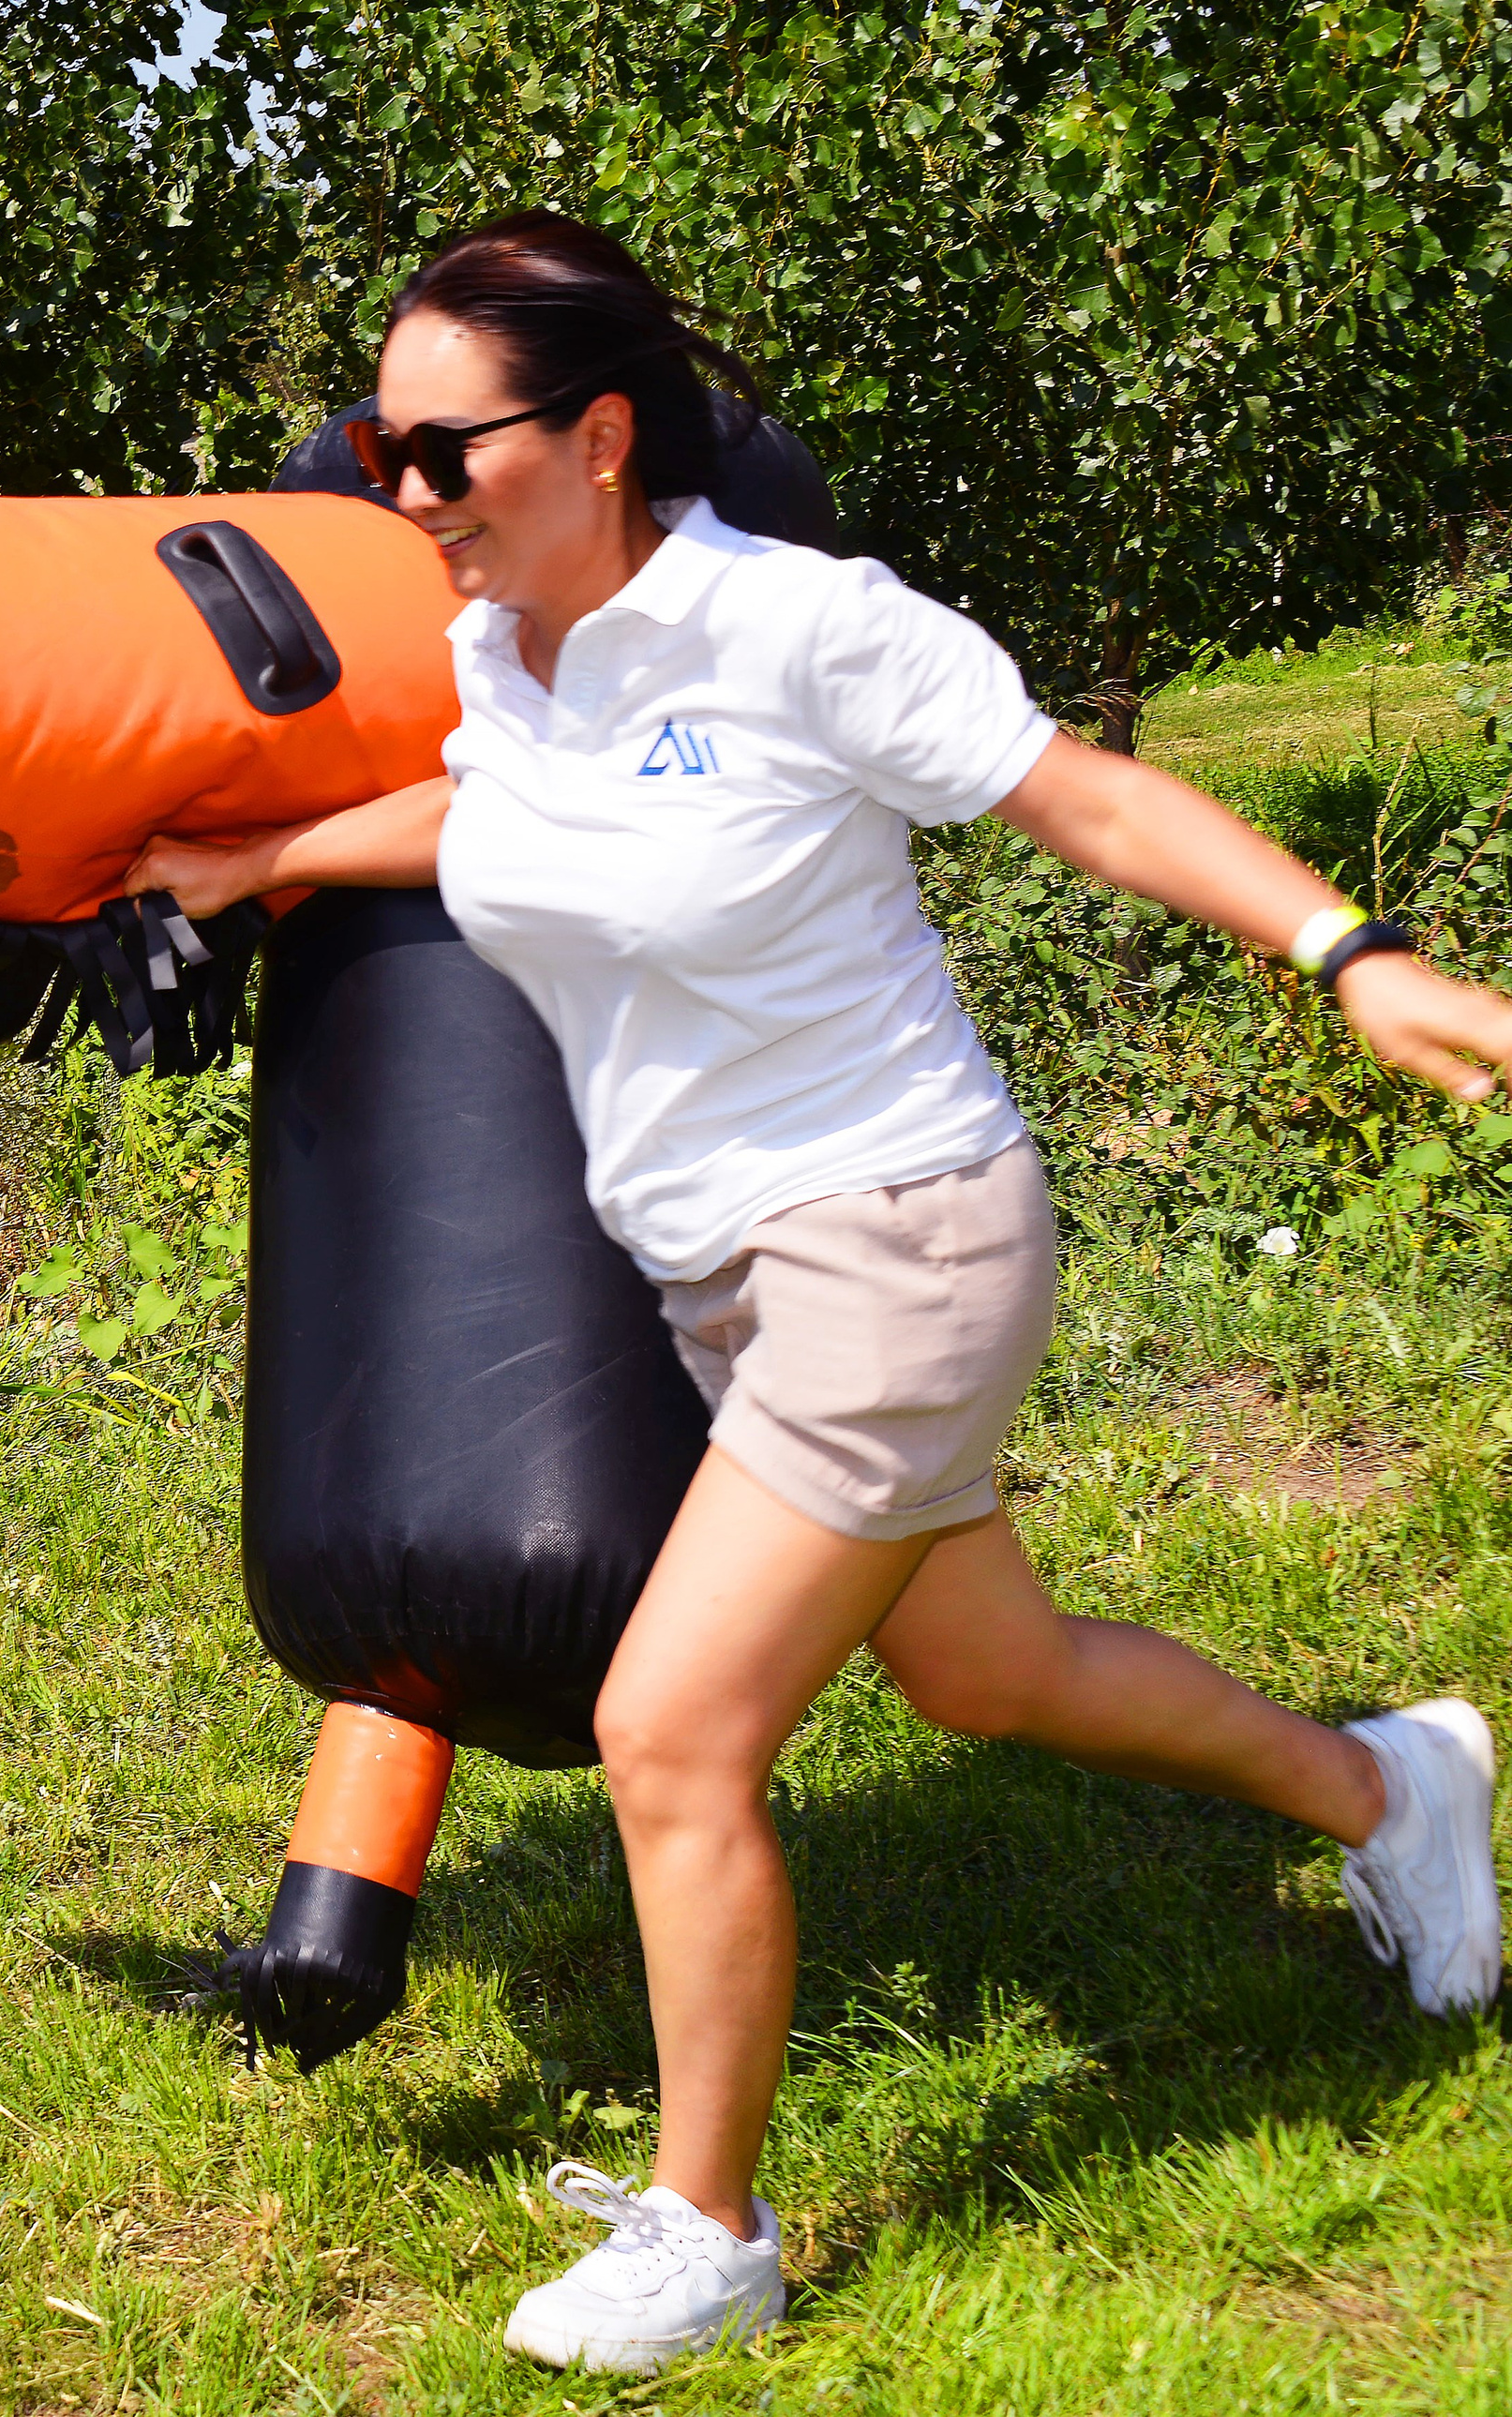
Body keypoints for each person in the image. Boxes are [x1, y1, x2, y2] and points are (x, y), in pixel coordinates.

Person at [126, 213, 1512, 2377]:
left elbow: (1090, 796)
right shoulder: (513, 647)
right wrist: (268, 859)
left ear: (592, 434)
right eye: (374, 446)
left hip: (895, 1238)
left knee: (664, 1731)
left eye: (433, 450)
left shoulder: (795, 630)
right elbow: (489, 811)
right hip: (721, 1276)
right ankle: (1388, 1783)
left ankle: (709, 2223)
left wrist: (1351, 956)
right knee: (988, 1669)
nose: (394, 495)